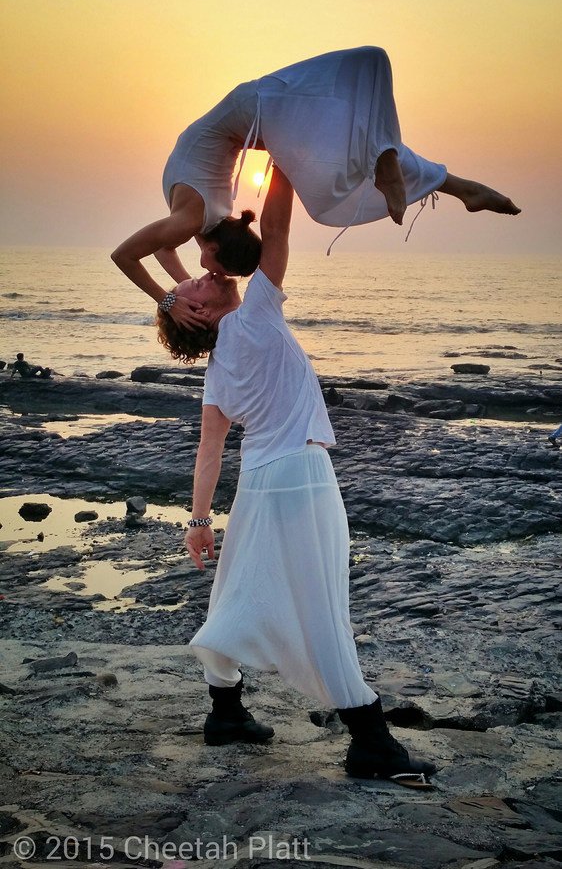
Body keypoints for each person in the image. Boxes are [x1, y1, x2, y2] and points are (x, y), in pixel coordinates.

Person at [157, 166, 437, 790]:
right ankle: (370, 741)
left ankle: (225, 714)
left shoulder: (218, 366)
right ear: (200, 318)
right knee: (322, 607)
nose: (202, 279)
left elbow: (210, 449)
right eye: (194, 290)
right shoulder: (252, 315)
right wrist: (282, 161)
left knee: (237, 589)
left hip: (261, 481)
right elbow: (277, 231)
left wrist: (199, 523)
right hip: (300, 476)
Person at [113, 46, 520, 330]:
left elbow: (124, 255)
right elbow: (163, 250)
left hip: (259, 106)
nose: (211, 276)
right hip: (262, 119)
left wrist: (167, 300)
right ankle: (456, 186)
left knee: (368, 68)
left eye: (215, 271)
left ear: (216, 248)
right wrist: (186, 295)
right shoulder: (196, 225)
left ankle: (389, 164)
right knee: (340, 152)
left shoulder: (191, 219)